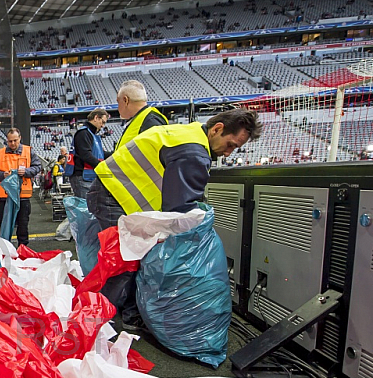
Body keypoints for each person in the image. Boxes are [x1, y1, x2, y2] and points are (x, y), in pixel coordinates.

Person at [90, 108, 262, 331]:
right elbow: (179, 210)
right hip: (113, 195)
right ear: (217, 129)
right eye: (230, 145)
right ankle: (101, 323)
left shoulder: (189, 132)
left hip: (111, 190)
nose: (228, 153)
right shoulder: (194, 152)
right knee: (124, 263)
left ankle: (126, 315)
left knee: (128, 259)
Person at [87, 80, 168, 331]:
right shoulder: (145, 122)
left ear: (124, 101)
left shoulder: (146, 123)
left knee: (122, 259)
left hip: (117, 199)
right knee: (122, 259)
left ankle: (109, 313)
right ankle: (108, 315)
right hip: (117, 199)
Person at [0, 128, 42, 247]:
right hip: (5, 198)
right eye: (10, 141)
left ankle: (22, 251)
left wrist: (26, 172)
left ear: (20, 138)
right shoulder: (0, 153)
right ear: (6, 141)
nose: (12, 143)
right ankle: (4, 251)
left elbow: (38, 166)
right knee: (4, 227)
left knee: (23, 227)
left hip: (23, 197)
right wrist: (3, 175)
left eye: (15, 140)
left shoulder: (29, 151)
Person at [71, 108, 109, 198]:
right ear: (96, 118)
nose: (103, 126)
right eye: (102, 122)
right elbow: (86, 155)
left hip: (88, 176)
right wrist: (102, 167)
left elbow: (100, 153)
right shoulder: (84, 133)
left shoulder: (90, 134)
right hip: (82, 177)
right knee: (86, 209)